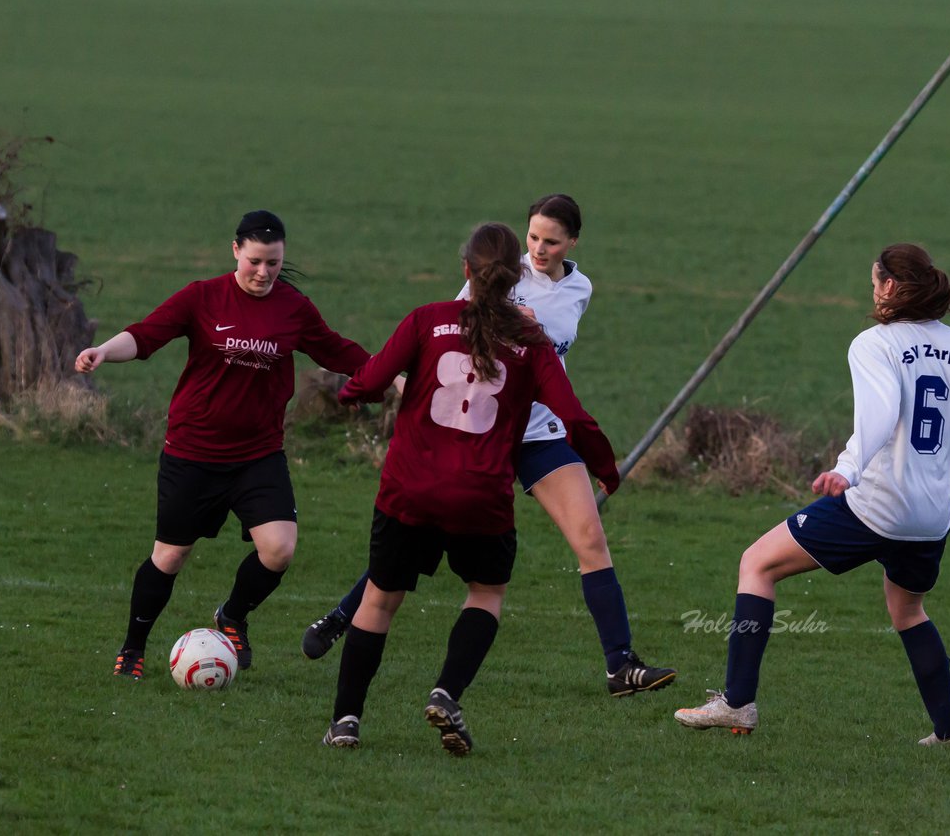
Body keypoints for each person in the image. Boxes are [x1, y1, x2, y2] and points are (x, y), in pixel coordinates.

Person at [674, 243, 950, 746]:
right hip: (931, 519)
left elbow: (880, 411)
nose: (873, 292)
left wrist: (848, 468)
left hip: (874, 506)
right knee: (908, 611)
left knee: (757, 564)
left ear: (888, 286)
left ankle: (736, 702)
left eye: (874, 283)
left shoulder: (874, 343)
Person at [303, 194, 676, 696]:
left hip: (540, 431)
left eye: (552, 240)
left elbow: (551, 363)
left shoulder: (580, 288)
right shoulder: (499, 270)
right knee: (417, 539)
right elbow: (452, 336)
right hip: (483, 431)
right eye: (534, 236)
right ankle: (344, 614)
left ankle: (620, 664)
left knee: (589, 536)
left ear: (574, 242)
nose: (539, 249)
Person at [321, 222, 621, 755]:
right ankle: (447, 690)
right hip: (480, 497)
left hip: (408, 490)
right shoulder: (533, 341)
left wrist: (351, 394)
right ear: (515, 280)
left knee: (379, 600)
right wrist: (604, 466)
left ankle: (345, 721)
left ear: (466, 271)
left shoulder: (426, 320)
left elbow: (368, 383)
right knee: (485, 593)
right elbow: (571, 415)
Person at [74, 210, 371, 678]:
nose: (264, 272)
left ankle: (232, 615)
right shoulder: (203, 297)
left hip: (258, 455)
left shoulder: (293, 307)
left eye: (273, 263)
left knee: (279, 549)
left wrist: (391, 374)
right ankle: (133, 648)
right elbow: (147, 334)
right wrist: (103, 352)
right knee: (170, 556)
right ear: (235, 251)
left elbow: (336, 350)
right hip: (192, 452)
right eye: (255, 261)